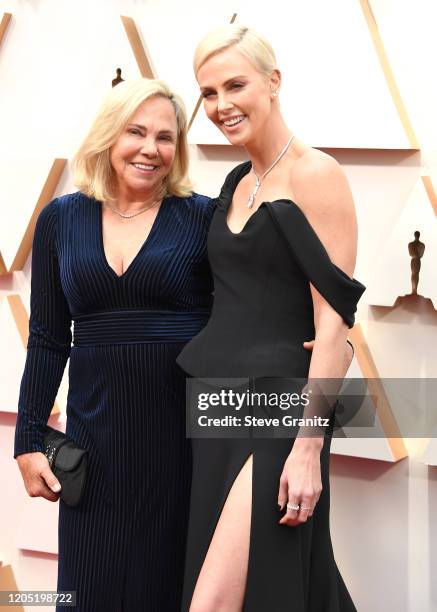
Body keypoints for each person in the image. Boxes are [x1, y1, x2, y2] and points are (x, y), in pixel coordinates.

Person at [177, 25, 366, 611]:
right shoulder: (235, 184)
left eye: (235, 85)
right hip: (213, 408)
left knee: (215, 602)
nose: (221, 105)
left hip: (276, 411)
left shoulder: (316, 174)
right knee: (263, 590)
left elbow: (334, 323)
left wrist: (308, 445)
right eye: (208, 93)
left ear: (274, 82)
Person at [14, 78, 215, 611]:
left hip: (182, 444)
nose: (151, 150)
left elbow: (238, 325)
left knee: (165, 590)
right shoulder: (61, 219)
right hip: (93, 444)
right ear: (109, 136)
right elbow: (48, 338)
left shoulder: (204, 217)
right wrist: (28, 438)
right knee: (88, 592)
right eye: (137, 132)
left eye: (166, 138)